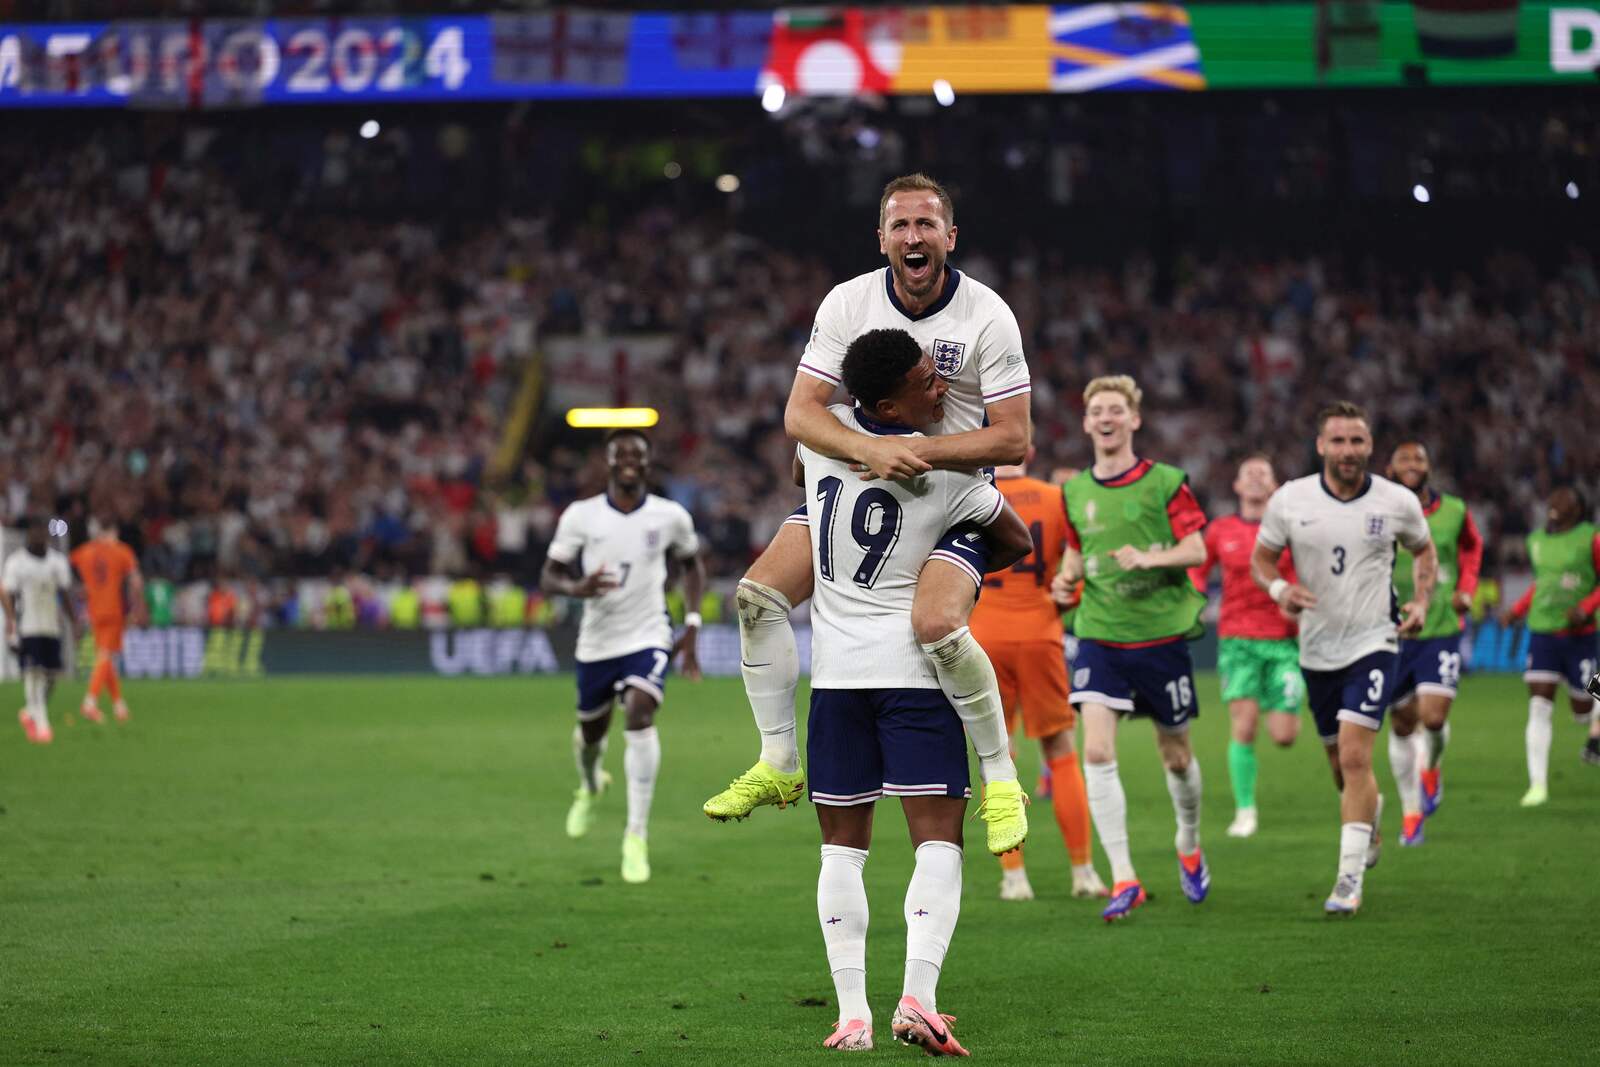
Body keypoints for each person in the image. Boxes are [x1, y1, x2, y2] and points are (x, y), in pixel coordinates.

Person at [702, 173, 1032, 856]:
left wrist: (918, 451)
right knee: (758, 597)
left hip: (952, 497)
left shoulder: (987, 315)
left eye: (927, 224)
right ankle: (779, 763)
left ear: (950, 237)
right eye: (901, 226)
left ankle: (1000, 776)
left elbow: (1014, 438)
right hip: (862, 481)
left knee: (935, 622)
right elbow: (800, 411)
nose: (915, 237)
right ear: (881, 239)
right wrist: (865, 449)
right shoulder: (848, 302)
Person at [798, 328, 1032, 1054]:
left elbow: (806, 436)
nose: (943, 388)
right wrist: (955, 550)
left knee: (841, 851)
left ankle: (852, 1014)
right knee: (939, 842)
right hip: (914, 678)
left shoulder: (817, 448)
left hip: (835, 676)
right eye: (929, 380)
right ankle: (917, 999)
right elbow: (1018, 540)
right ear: (890, 398)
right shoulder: (951, 473)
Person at [1251, 401, 1435, 916]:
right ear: (1320, 446)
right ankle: (1370, 821)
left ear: (1370, 446)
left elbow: (1425, 550)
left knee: (1356, 756)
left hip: (1374, 641)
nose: (1348, 451)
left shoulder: (1397, 501)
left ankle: (1347, 882)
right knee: (1339, 765)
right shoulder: (1291, 499)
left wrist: (1420, 601)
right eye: (1338, 441)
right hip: (1316, 649)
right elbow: (1261, 561)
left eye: (1357, 441)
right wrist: (1281, 588)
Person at [1049, 375, 1210, 923]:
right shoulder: (1073, 491)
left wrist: (1150, 559)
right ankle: (1124, 877)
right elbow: (1077, 552)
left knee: (1177, 755)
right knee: (1095, 751)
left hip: (1161, 637)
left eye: (1117, 409)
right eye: (1097, 410)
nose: (1107, 417)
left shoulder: (1165, 482)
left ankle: (1188, 841)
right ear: (1087, 421)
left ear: (1134, 419)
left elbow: (1195, 548)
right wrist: (1064, 583)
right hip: (1099, 634)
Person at [540, 429, 705, 884]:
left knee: (638, 712)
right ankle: (591, 786)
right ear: (608, 463)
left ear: (648, 464)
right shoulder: (581, 516)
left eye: (638, 454)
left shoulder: (669, 516)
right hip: (597, 641)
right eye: (621, 455)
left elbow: (692, 564)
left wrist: (691, 624)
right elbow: (549, 575)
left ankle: (636, 835)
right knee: (591, 736)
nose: (630, 461)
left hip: (648, 632)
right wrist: (576, 588)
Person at [968, 447, 1106, 901]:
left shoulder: (970, 493)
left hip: (984, 635)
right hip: (1041, 632)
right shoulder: (1056, 498)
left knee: (995, 754)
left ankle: (1014, 877)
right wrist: (1066, 599)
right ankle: (1083, 872)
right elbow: (1079, 569)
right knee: (1061, 751)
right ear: (1029, 449)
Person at [1189, 453, 1303, 840]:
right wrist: (1194, 601)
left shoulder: (1290, 531)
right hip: (1237, 640)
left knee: (1285, 735)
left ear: (1273, 486)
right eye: (1248, 474)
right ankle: (1245, 810)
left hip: (1284, 642)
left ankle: (1248, 805)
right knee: (1245, 726)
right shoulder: (1220, 529)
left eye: (1263, 474)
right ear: (1237, 486)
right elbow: (1197, 569)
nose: (1255, 478)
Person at [1384, 442, 1483, 843]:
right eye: (1404, 459)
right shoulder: (1378, 509)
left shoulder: (1455, 511)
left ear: (1429, 466)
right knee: (1402, 722)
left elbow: (1472, 548)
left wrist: (1466, 589)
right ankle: (1410, 812)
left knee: (1434, 718)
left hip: (1440, 624)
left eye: (1419, 459)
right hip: (1389, 629)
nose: (1411, 465)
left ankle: (1432, 766)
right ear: (1390, 467)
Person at [1500, 486, 1600, 804]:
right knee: (1539, 705)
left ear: (1578, 507)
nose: (1555, 502)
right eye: (1552, 497)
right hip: (1543, 632)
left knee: (1583, 709)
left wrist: (1587, 607)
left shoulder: (1591, 538)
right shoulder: (1536, 541)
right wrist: (1517, 610)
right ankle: (1538, 785)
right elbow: (1541, 584)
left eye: (1564, 498)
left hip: (1580, 636)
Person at [2, 518, 75, 744]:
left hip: (50, 625)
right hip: (28, 625)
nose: (39, 536)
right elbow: (9, 594)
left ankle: (29, 712)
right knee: (33, 672)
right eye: (35, 532)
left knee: (51, 675)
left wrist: (74, 622)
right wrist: (11, 624)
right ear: (28, 535)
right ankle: (42, 723)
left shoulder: (57, 562)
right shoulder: (17, 563)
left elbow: (64, 594)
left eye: (43, 532)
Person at [70, 517, 143, 724]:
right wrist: (136, 608)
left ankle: (119, 705)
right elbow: (136, 582)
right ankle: (89, 702)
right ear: (114, 532)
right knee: (105, 656)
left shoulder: (85, 551)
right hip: (113, 610)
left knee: (105, 657)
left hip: (94, 610)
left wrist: (81, 589)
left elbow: (68, 568)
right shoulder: (121, 551)